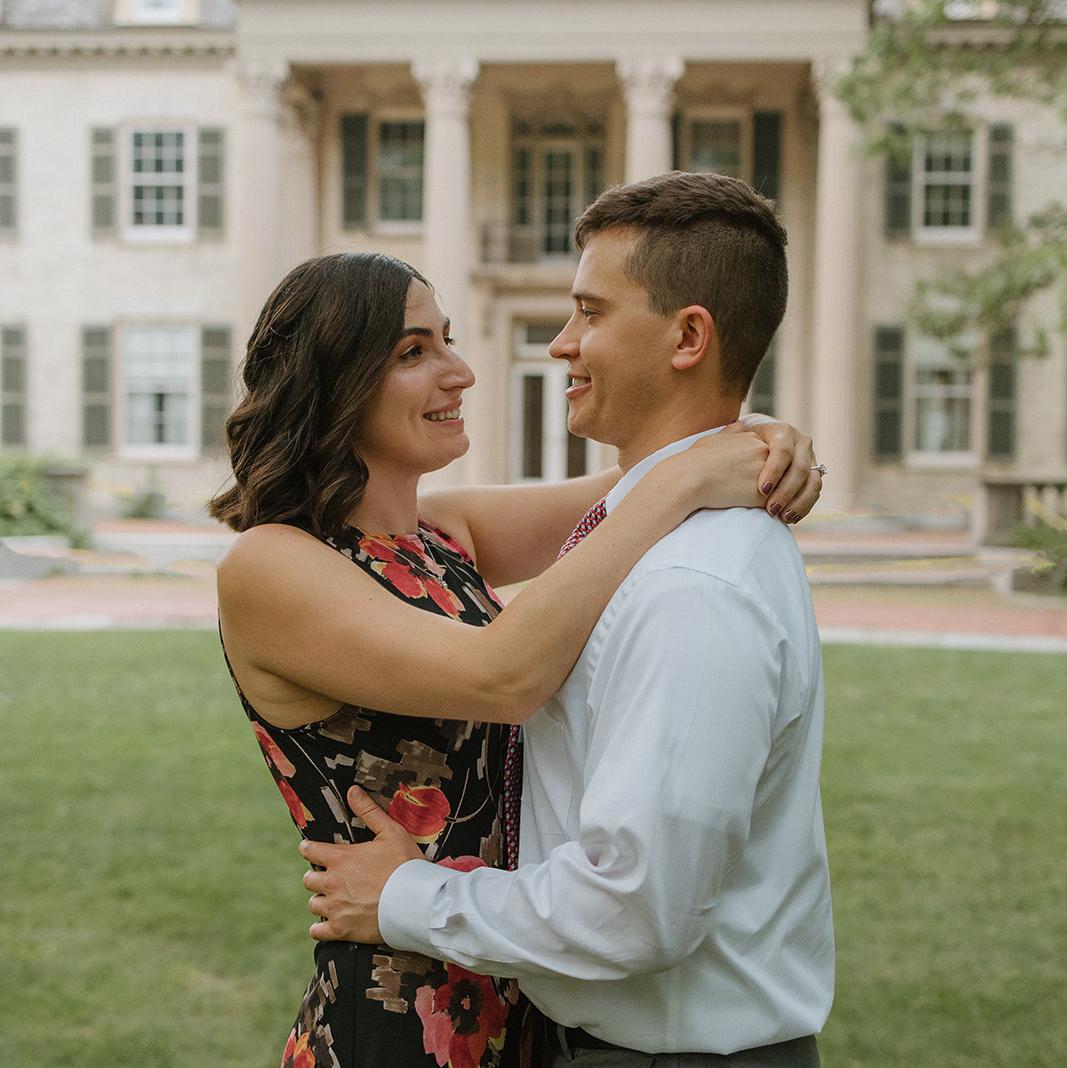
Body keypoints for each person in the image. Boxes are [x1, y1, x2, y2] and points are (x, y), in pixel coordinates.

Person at [211, 251, 819, 1068]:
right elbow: (502, 677)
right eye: (413, 352)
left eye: (449, 341)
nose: (460, 373)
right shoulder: (270, 565)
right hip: (399, 1006)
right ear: (335, 383)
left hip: (525, 981)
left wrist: (763, 440)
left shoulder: (442, 533)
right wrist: (680, 487)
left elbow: (648, 473)